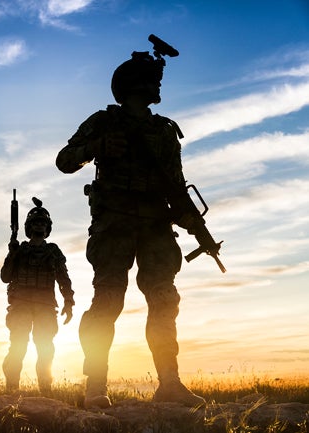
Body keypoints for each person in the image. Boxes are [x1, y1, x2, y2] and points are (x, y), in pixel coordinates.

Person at [55, 39, 206, 409]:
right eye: (152, 79)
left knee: (164, 300)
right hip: (114, 224)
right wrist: (97, 148)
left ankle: (169, 382)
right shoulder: (104, 121)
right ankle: (95, 386)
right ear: (134, 84)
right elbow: (64, 160)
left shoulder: (166, 130)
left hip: (155, 226)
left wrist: (188, 219)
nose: (157, 86)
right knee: (107, 301)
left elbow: (175, 183)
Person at [0, 197, 74, 395]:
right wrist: (12, 253)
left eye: (42, 222)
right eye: (35, 222)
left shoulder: (53, 251)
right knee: (18, 346)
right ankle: (12, 388)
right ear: (28, 227)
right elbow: (5, 277)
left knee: (45, 348)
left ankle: (45, 389)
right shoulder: (20, 250)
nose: (39, 225)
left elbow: (63, 278)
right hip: (21, 305)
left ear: (47, 227)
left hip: (45, 306)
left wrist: (69, 301)